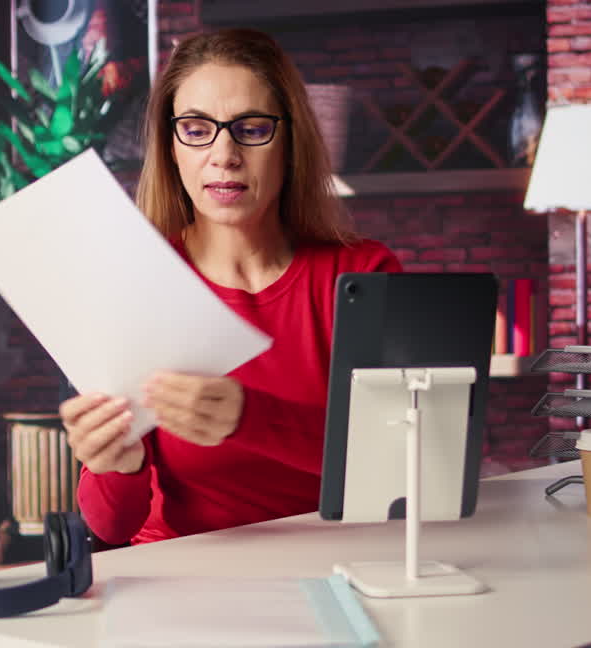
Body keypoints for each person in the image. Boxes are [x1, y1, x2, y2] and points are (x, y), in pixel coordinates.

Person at [58, 28, 403, 546]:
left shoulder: (363, 275)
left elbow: (401, 472)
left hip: (340, 570)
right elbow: (110, 527)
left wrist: (250, 417)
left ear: (290, 143)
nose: (224, 154)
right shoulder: (135, 285)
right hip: (181, 581)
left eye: (252, 128)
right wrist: (118, 463)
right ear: (171, 148)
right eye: (196, 129)